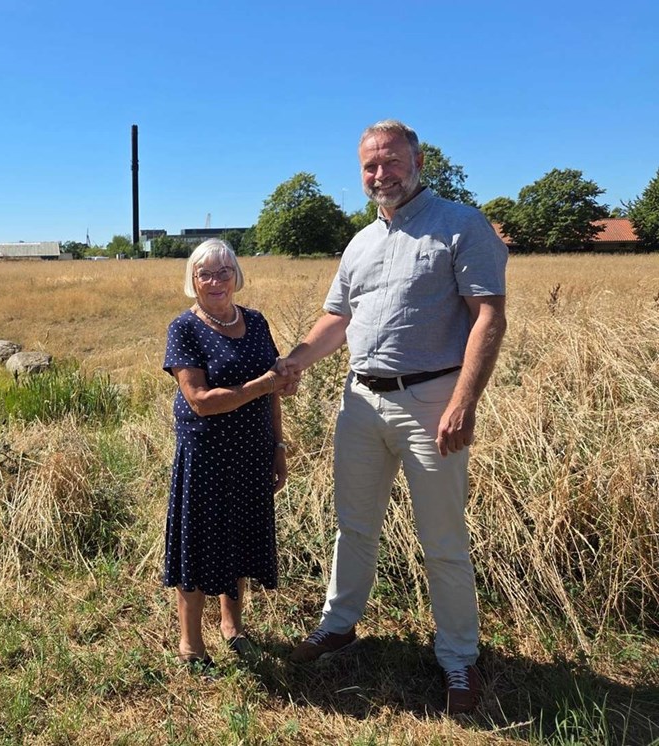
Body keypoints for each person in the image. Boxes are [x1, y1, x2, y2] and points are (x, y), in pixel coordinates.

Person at [278, 119, 507, 714]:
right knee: (352, 526)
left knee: (443, 538)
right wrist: (295, 361)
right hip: (359, 401)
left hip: (432, 402)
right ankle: (337, 624)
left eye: (390, 161)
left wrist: (463, 400)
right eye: (369, 166)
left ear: (417, 160)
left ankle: (458, 659)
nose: (380, 174)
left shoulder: (460, 225)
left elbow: (488, 317)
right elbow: (339, 319)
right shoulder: (359, 242)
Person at [162, 238, 298, 669]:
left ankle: (232, 627)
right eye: (205, 273)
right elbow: (200, 399)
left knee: (238, 540)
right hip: (205, 454)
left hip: (252, 450)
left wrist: (277, 445)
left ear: (236, 275)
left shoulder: (256, 322)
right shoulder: (183, 328)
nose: (216, 281)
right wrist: (265, 384)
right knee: (199, 548)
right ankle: (190, 643)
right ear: (193, 280)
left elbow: (273, 393)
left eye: (224, 272)